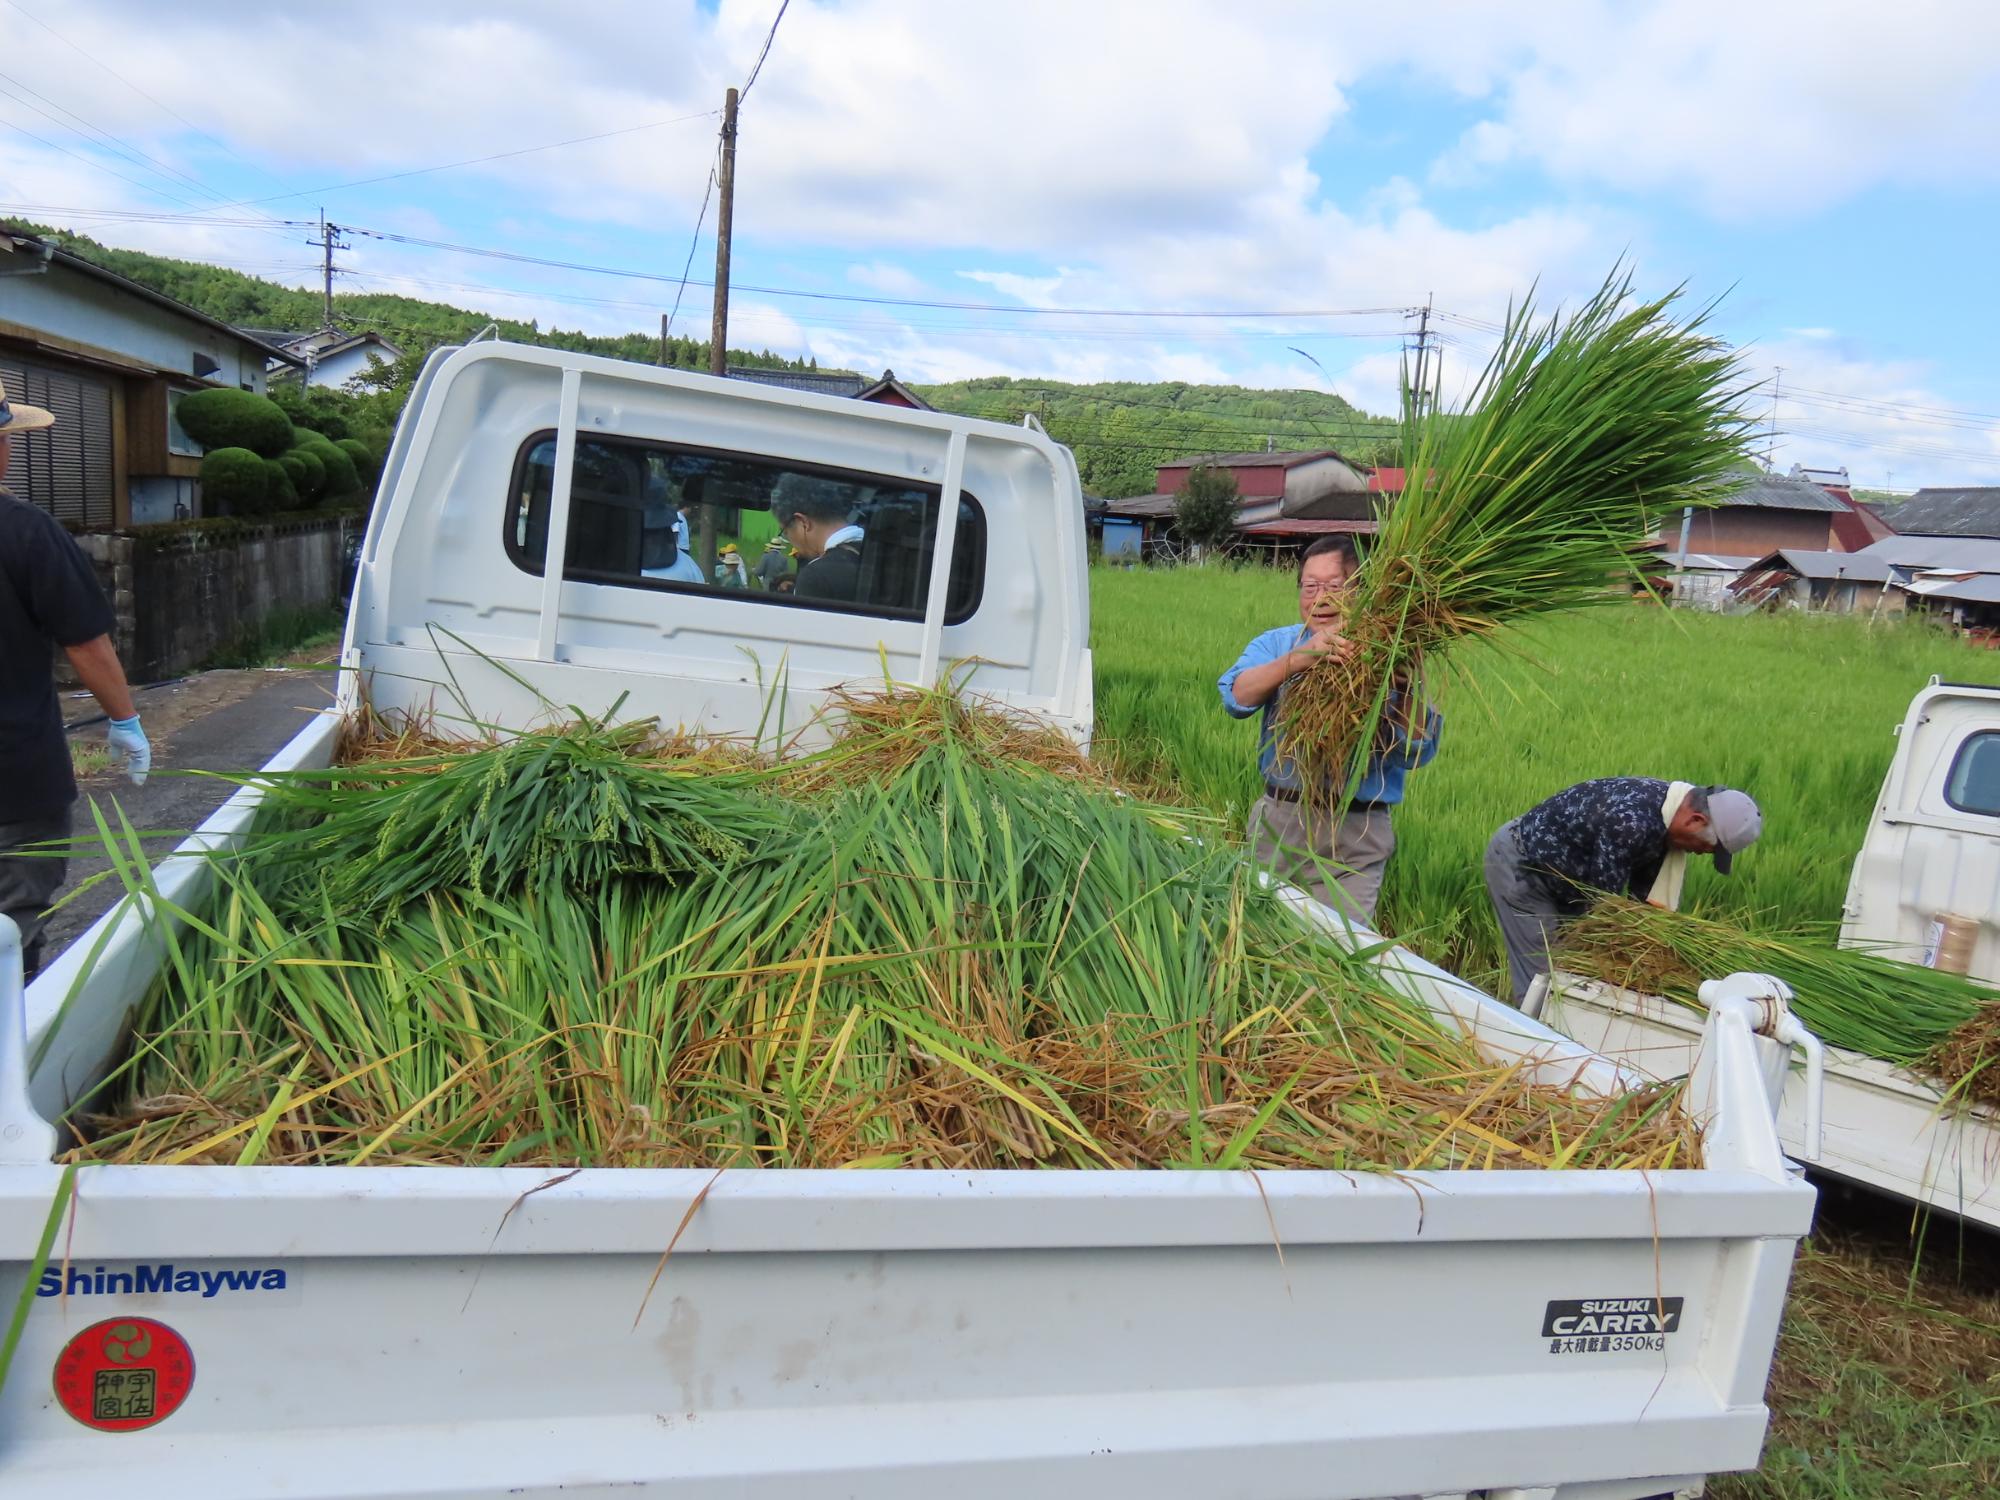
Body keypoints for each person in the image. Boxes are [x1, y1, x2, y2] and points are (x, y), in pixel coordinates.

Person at [0, 378, 151, 978]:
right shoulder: (25, 531)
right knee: (11, 931)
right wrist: (125, 720)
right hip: (15, 781)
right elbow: (86, 642)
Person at [1218, 535, 1440, 925]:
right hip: (1280, 822)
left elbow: (1416, 751)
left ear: (1364, 591)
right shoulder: (1278, 643)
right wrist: (1300, 658)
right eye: (1310, 587)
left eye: (1335, 587)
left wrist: (1407, 688)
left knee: (1338, 947)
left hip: (1356, 835)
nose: (1321, 599)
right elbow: (1237, 696)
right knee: (1258, 936)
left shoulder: (1392, 652)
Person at [1484, 778, 1763, 1003]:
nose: (1700, 853)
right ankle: (1531, 1042)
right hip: (1524, 868)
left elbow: (1639, 905)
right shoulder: (1630, 822)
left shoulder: (1668, 816)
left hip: (1568, 881)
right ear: (1695, 820)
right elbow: (1603, 911)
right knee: (1543, 980)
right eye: (1706, 848)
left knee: (1571, 974)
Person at [773, 484, 863, 603]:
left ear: (803, 523)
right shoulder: (873, 550)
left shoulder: (815, 576)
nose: (790, 543)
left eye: (785, 532)